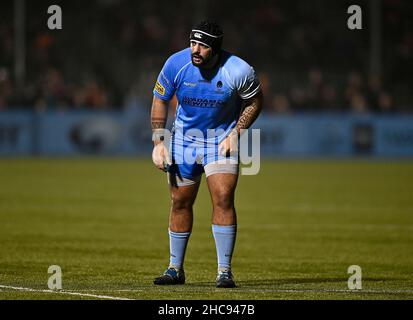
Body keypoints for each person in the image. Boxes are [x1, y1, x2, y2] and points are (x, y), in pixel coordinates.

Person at [150, 21, 263, 288]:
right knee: (179, 203)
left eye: (202, 45)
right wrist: (158, 141)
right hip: (183, 143)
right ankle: (175, 269)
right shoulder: (176, 64)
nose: (195, 50)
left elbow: (255, 100)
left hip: (220, 141)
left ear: (215, 48)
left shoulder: (239, 69)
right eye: (193, 43)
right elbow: (159, 100)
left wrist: (236, 133)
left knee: (223, 197)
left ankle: (224, 271)